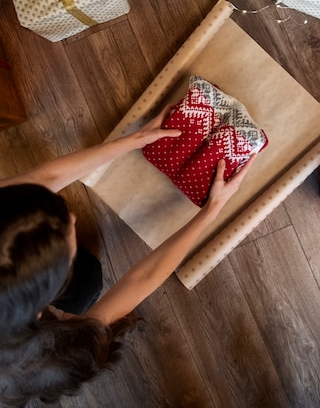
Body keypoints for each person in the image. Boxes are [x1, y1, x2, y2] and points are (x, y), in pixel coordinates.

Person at [0, 106, 254, 406]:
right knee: (87, 288)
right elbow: (142, 278)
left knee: (87, 281)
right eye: (69, 230)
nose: (73, 216)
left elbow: (44, 177)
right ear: (41, 304)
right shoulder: (38, 366)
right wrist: (210, 212)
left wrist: (134, 140)